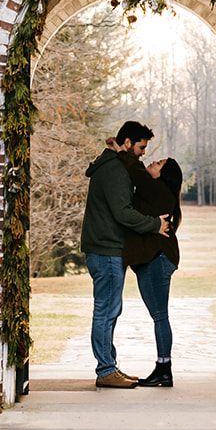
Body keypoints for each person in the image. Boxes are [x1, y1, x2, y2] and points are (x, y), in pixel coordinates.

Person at [80, 119, 169, 390]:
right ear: (128, 143)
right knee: (106, 310)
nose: (143, 153)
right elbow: (123, 213)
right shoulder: (116, 171)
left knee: (109, 310)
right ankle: (106, 370)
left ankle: (109, 367)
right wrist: (156, 224)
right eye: (141, 147)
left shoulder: (111, 164)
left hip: (104, 249)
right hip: (106, 250)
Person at [121, 154, 183, 388]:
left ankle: (164, 370)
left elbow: (137, 174)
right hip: (156, 257)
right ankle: (163, 368)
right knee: (159, 315)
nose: (152, 162)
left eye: (158, 164)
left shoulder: (157, 189)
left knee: (160, 316)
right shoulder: (156, 191)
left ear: (162, 175)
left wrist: (122, 153)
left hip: (158, 258)